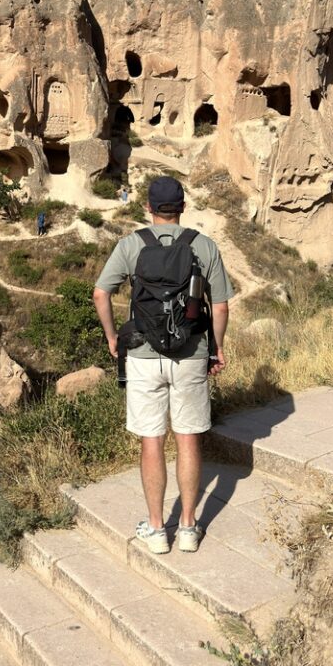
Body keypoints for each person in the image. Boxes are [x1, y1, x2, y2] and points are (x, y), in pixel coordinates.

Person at [92, 175, 234, 555]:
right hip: (190, 352)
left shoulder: (131, 245)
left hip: (141, 354)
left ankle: (157, 530)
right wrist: (216, 348)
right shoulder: (203, 246)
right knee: (188, 438)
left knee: (151, 441)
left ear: (149, 209)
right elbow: (219, 306)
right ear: (183, 207)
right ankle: (188, 526)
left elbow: (101, 292)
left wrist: (111, 338)